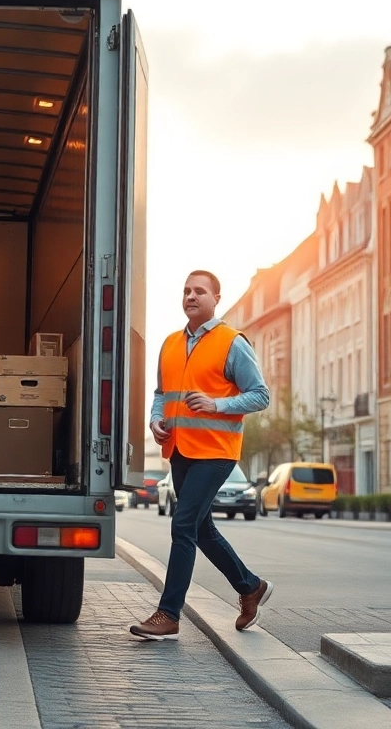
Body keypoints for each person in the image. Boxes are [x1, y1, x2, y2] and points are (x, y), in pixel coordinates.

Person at [130, 270, 273, 641]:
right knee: (201, 529)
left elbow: (260, 395)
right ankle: (250, 587)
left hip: (216, 450)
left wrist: (217, 404)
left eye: (199, 291)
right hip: (179, 449)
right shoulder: (170, 343)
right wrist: (155, 420)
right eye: (186, 291)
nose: (191, 296)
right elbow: (161, 394)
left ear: (216, 299)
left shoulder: (232, 342)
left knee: (183, 525)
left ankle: (168, 614)